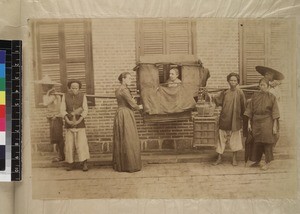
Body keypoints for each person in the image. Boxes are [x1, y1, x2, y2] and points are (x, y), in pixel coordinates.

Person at [244, 78, 280, 170]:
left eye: (264, 85)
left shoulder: (272, 97)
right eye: (260, 85)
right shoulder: (255, 96)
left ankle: (268, 162)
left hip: (267, 121)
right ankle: (257, 161)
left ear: (268, 86)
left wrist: (274, 126)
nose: (262, 87)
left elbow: (275, 113)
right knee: (257, 142)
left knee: (267, 142)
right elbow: (249, 110)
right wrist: (249, 123)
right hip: (256, 121)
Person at [212, 73, 246, 166]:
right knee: (221, 138)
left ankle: (234, 158)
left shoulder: (240, 93)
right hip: (225, 118)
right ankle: (219, 157)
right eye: (231, 80)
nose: (233, 82)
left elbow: (244, 107)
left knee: (235, 139)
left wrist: (242, 119)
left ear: (237, 82)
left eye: (235, 80)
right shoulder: (225, 92)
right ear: (228, 81)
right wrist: (212, 96)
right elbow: (218, 101)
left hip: (235, 119)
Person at [113, 72, 143, 172]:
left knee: (122, 138)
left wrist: (132, 101)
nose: (131, 80)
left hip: (120, 113)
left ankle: (122, 165)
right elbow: (132, 104)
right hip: (126, 114)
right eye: (129, 78)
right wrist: (139, 106)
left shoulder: (118, 89)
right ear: (123, 79)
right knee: (129, 138)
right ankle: (130, 165)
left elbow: (126, 100)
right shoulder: (124, 90)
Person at [61, 80, 90, 171]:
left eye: (76, 88)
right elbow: (62, 109)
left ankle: (84, 163)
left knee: (81, 143)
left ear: (79, 88)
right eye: (72, 88)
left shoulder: (82, 96)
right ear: (69, 88)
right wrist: (67, 120)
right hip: (69, 122)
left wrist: (79, 120)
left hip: (80, 123)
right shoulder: (65, 96)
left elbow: (85, 109)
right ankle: (70, 163)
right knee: (69, 144)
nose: (74, 90)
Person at [36, 75, 65, 162]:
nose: (42, 88)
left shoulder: (53, 95)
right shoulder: (52, 94)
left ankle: (61, 156)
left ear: (48, 86)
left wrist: (47, 93)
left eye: (43, 86)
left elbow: (45, 103)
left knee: (58, 137)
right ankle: (60, 155)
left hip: (56, 118)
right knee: (56, 137)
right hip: (53, 118)